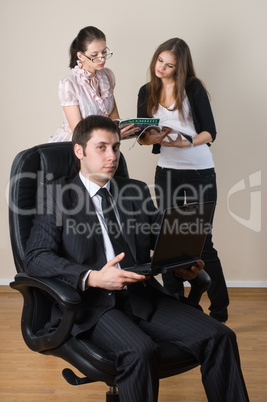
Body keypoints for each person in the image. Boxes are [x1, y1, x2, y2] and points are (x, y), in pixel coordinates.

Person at [24, 115, 249, 402]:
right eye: (102, 148)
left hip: (142, 295)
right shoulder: (56, 196)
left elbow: (161, 238)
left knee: (221, 337)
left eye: (116, 148)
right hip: (93, 305)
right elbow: (36, 257)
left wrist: (183, 264)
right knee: (141, 351)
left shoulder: (135, 191)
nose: (112, 156)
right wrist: (92, 276)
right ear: (79, 151)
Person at [137, 38, 229, 323]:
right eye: (159, 61)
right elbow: (142, 137)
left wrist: (184, 142)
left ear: (180, 67)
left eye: (169, 65)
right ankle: (174, 302)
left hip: (200, 171)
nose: (161, 68)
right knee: (168, 241)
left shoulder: (193, 88)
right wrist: (151, 136)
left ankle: (219, 308)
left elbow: (210, 132)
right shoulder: (146, 91)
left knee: (202, 242)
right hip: (167, 172)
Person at [48, 26, 138, 142]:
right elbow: (79, 133)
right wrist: (113, 136)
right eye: (95, 55)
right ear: (81, 56)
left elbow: (114, 118)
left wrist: (129, 129)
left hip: (102, 145)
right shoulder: (69, 84)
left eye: (104, 52)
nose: (102, 59)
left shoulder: (107, 76)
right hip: (74, 146)